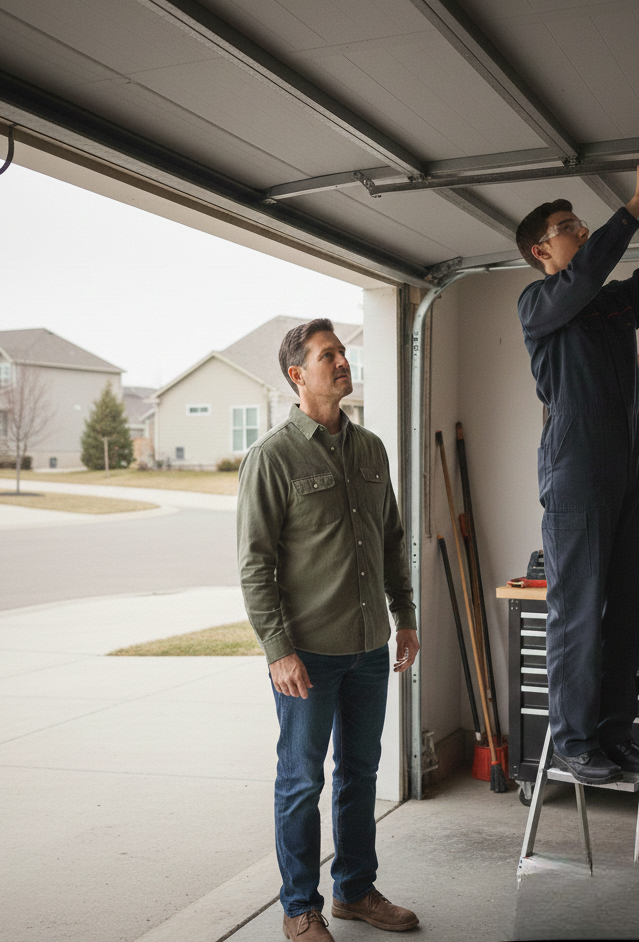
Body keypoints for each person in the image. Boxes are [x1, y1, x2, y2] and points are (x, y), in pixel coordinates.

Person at [516, 149, 639, 785]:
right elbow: (589, 270)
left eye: (579, 224)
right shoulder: (539, 305)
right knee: (577, 608)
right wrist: (633, 203)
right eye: (569, 228)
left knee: (629, 606)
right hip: (575, 461)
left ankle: (611, 735)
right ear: (543, 252)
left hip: (630, 454)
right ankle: (572, 740)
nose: (580, 233)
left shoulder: (611, 305)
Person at [237, 318, 420, 942]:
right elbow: (254, 565)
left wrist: (406, 617)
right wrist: (277, 650)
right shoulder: (272, 457)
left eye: (342, 352)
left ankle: (355, 891)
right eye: (328, 355)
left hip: (370, 646)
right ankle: (298, 908)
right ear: (298, 375)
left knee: (360, 772)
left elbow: (393, 540)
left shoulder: (371, 450)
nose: (342, 361)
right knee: (301, 779)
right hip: (307, 655)